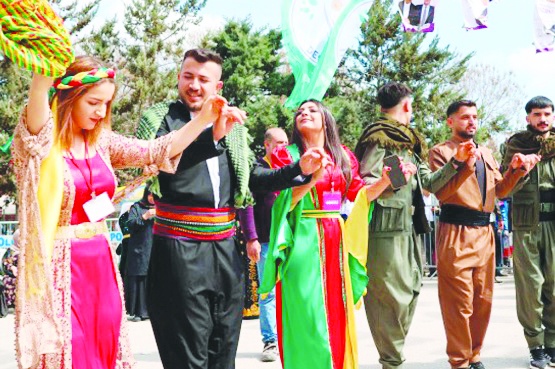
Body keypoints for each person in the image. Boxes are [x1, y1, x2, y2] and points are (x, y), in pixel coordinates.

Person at [12, 54, 238, 369]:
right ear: (69, 97)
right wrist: (44, 63)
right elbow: (39, 95)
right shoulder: (43, 139)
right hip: (59, 264)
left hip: (101, 263)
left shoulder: (102, 142)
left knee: (105, 344)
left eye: (106, 103)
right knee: (69, 350)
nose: (101, 111)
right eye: (93, 102)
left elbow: (156, 150)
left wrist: (202, 121)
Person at [144, 49, 328, 369]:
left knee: (224, 345)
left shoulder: (233, 127)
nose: (194, 85)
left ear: (218, 86)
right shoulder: (160, 119)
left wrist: (299, 168)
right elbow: (160, 162)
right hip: (178, 248)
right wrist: (211, 134)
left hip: (226, 250)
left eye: (204, 79)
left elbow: (252, 179)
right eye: (188, 76)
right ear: (178, 78)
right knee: (187, 353)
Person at [259, 99, 398, 369]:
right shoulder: (285, 155)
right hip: (300, 238)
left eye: (312, 110)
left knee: (337, 310)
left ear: (326, 119)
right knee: (305, 311)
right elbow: (279, 202)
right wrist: (311, 175)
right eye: (300, 111)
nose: (304, 113)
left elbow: (358, 199)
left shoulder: (343, 156)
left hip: (336, 239)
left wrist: (384, 183)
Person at [354, 82, 473, 369]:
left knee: (409, 293)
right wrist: (393, 178)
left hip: (409, 230)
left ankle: (392, 358)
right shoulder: (378, 138)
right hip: (385, 231)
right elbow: (366, 185)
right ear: (407, 106)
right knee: (388, 299)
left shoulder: (409, 142)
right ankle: (392, 362)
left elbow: (429, 184)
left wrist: (455, 163)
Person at [429, 100, 539, 369]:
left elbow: (499, 191)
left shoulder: (486, 153)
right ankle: (459, 361)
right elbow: (439, 190)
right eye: (464, 117)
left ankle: (474, 355)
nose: (471, 122)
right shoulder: (441, 151)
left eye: (475, 117)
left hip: (484, 233)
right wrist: (460, 162)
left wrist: (516, 170)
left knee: (482, 301)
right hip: (456, 231)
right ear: (450, 122)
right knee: (459, 304)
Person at [502, 96, 555, 369]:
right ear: (528, 118)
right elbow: (503, 190)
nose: (542, 119)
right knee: (530, 289)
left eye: (546, 113)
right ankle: (536, 347)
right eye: (537, 114)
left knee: (554, 288)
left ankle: (553, 345)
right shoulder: (515, 146)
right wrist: (518, 169)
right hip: (526, 225)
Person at [246, 127, 289, 362]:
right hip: (264, 239)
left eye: (285, 142)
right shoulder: (257, 169)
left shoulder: (290, 168)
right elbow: (247, 204)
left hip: (289, 239)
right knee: (268, 292)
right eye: (278, 143)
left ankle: (288, 337)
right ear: (267, 144)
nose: (283, 147)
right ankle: (270, 341)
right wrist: (251, 238)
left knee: (290, 289)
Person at [125, 186, 156, 322]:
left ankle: (152, 311)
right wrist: (145, 216)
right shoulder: (137, 207)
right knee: (139, 280)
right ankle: (138, 311)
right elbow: (130, 224)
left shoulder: (161, 208)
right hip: (140, 249)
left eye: (155, 196)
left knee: (153, 279)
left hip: (155, 249)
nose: (152, 199)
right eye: (150, 195)